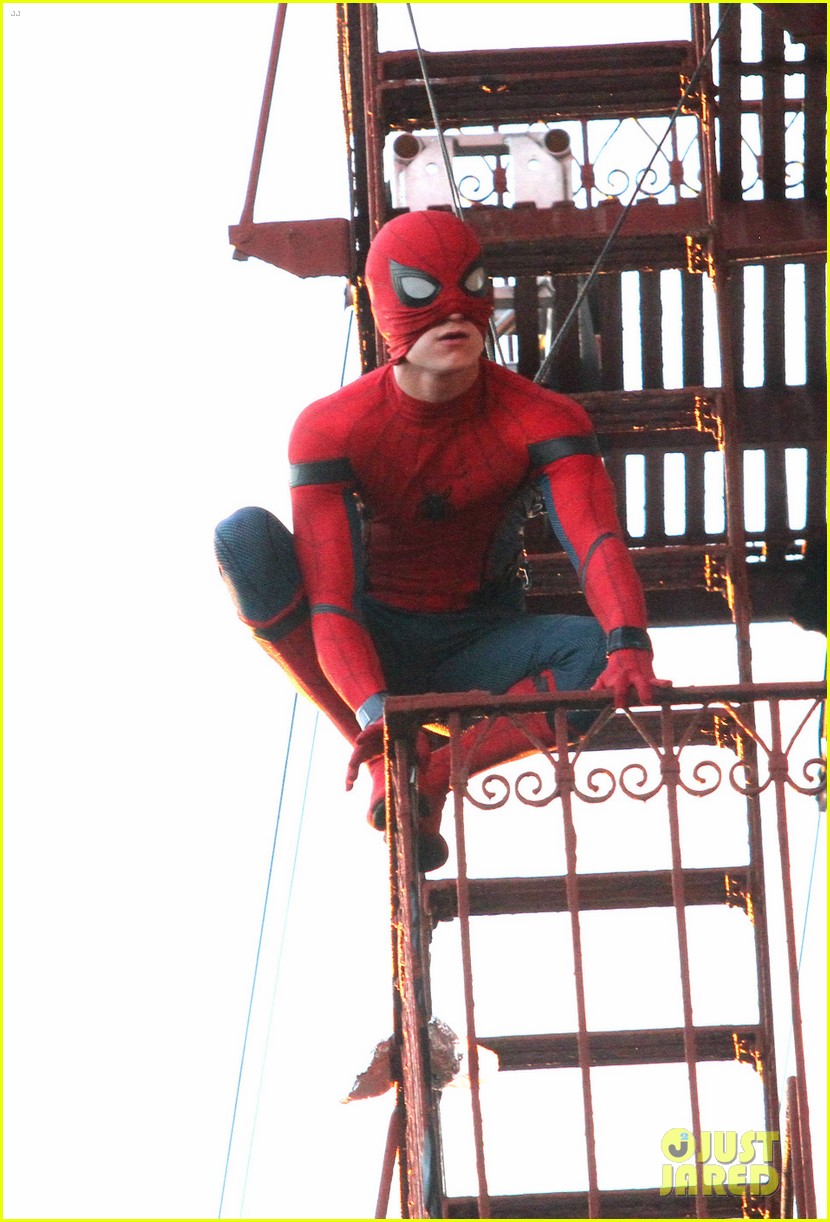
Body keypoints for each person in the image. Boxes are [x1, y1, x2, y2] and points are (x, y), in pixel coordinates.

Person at [214, 208, 668, 871]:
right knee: (244, 542)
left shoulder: (542, 419)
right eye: (423, 294)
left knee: (597, 651)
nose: (452, 313)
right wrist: (373, 712)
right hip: (370, 637)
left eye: (470, 287)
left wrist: (630, 642)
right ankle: (385, 760)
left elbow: (595, 537)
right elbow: (333, 600)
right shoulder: (332, 428)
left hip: (477, 640)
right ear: (388, 307)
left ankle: (430, 776)